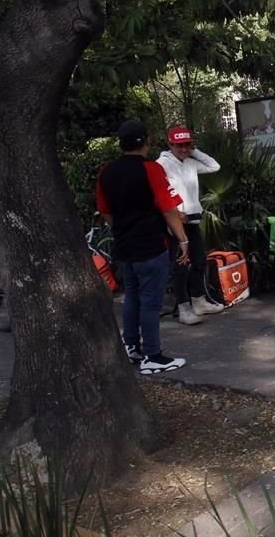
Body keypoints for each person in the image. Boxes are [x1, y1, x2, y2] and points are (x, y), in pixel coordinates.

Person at [96, 120, 188, 374]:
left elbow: (106, 212)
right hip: (150, 243)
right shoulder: (151, 169)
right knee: (150, 301)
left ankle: (131, 347)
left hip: (124, 245)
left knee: (132, 297)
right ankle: (152, 355)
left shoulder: (107, 172)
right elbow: (168, 209)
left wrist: (122, 228)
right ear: (146, 141)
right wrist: (183, 239)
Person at [158, 125, 224, 325]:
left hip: (193, 219)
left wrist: (194, 150)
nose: (184, 149)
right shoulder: (161, 164)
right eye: (179, 145)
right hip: (175, 222)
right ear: (170, 144)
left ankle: (198, 300)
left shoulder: (191, 162)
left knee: (200, 260)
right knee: (179, 265)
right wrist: (175, 212)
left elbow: (214, 166)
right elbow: (160, 192)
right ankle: (183, 306)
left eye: (187, 145)